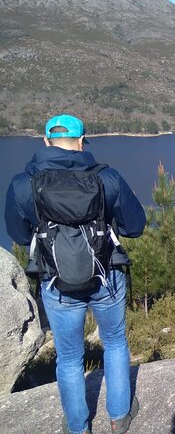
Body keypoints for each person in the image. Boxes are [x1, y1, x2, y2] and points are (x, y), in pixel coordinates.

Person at [4, 115, 146, 434]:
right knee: (114, 341)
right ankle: (119, 416)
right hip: (105, 276)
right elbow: (135, 226)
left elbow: (19, 233)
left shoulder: (22, 184)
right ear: (82, 142)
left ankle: (78, 426)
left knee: (69, 357)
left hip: (57, 282)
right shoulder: (107, 178)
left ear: (45, 142)